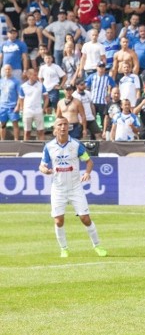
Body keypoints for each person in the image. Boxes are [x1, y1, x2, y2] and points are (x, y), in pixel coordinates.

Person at [39, 117, 108, 258]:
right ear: (55, 129)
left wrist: (87, 173)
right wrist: (44, 170)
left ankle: (97, 245)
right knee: (58, 220)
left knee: (85, 218)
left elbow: (89, 162)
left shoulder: (76, 145)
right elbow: (42, 165)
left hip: (75, 187)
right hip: (58, 188)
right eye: (60, 124)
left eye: (65, 124)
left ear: (68, 127)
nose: (63, 127)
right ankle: (64, 249)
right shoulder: (49, 147)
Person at [18, 68, 47, 140]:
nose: (36, 76)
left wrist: (44, 108)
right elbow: (21, 99)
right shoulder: (23, 86)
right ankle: (26, 149)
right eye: (34, 75)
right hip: (27, 111)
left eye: (36, 75)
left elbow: (46, 97)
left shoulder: (41, 85)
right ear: (29, 75)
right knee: (27, 132)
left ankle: (41, 148)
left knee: (40, 131)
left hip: (38, 111)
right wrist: (22, 109)